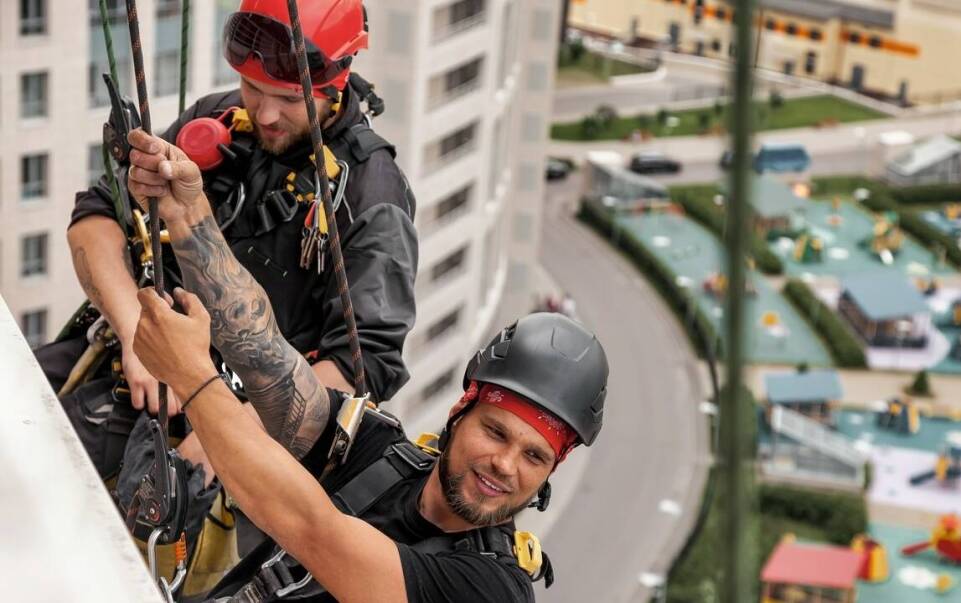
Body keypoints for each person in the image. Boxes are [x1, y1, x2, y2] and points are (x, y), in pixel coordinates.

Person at [126, 127, 609, 602]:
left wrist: (192, 377)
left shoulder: (489, 586)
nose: (504, 465)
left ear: (552, 470)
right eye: (497, 432)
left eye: (534, 457)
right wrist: (187, 213)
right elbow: (263, 354)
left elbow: (315, 531)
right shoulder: (380, 458)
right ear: (460, 411)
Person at [59, 0, 417, 481]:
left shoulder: (371, 195)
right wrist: (131, 333)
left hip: (245, 423)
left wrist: (219, 435)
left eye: (290, 99)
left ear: (336, 83)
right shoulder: (220, 118)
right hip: (138, 371)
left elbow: (362, 366)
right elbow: (97, 215)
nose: (265, 112)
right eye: (252, 87)